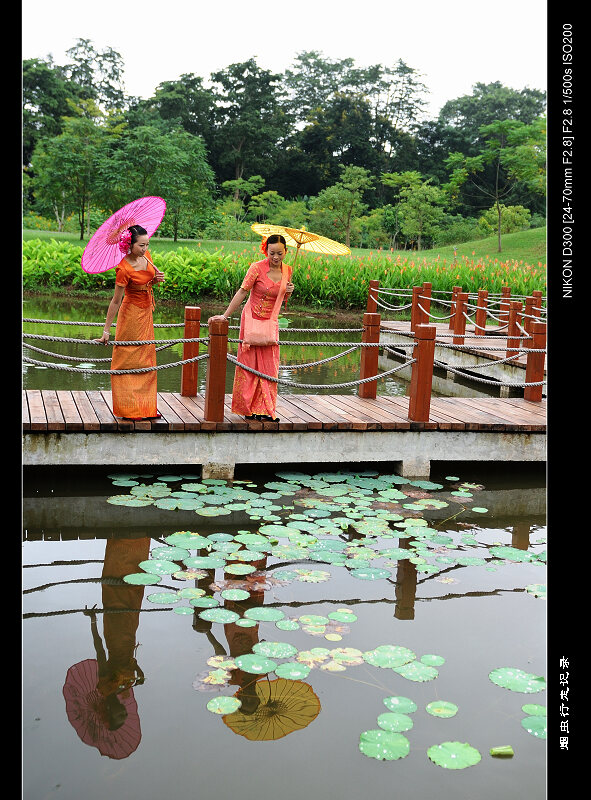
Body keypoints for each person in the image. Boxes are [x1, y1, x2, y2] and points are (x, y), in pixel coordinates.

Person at [211, 234, 294, 421]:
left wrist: (288, 292)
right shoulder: (256, 268)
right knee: (249, 365)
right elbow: (242, 292)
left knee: (269, 366)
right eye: (271, 253)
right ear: (266, 251)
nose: (275, 257)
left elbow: (282, 302)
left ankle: (265, 409)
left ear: (286, 252)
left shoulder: (288, 271)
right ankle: (248, 409)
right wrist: (225, 316)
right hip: (251, 320)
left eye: (279, 253)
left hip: (270, 322)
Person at [95, 225, 165, 420]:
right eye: (141, 245)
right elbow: (116, 301)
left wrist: (155, 281)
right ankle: (129, 409)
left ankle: (146, 408)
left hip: (146, 314)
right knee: (129, 359)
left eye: (147, 244)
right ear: (129, 244)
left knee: (147, 359)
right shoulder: (123, 268)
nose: (144, 248)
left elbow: (147, 283)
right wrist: (106, 331)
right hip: (131, 314)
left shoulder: (147, 257)